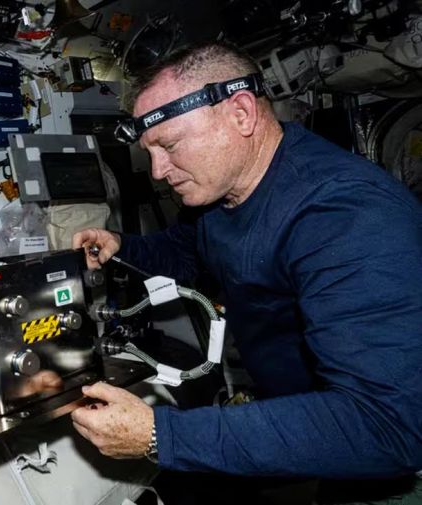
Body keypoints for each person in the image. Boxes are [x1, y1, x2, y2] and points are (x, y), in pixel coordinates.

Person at [71, 42, 422, 502]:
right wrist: (123, 247)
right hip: (303, 414)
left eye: (169, 146)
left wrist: (163, 436)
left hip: (385, 459)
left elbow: (387, 427)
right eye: (149, 152)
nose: (157, 172)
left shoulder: (346, 216)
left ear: (240, 113)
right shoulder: (220, 197)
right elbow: (189, 251)